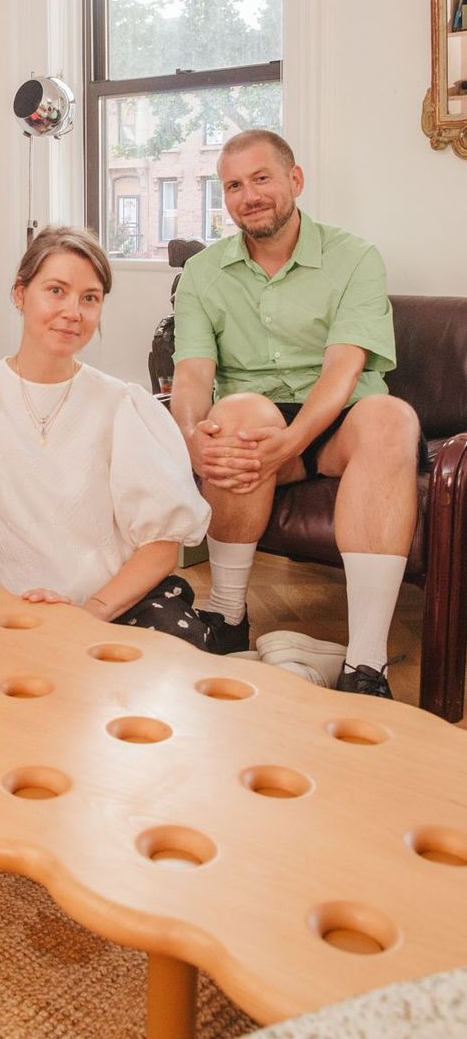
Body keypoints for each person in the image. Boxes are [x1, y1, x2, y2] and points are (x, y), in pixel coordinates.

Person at [171, 129, 423, 698]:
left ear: (294, 180)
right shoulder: (203, 273)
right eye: (234, 185)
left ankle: (366, 664)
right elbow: (191, 375)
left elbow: (342, 372)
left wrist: (291, 444)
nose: (248, 195)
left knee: (392, 418)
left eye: (261, 178)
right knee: (236, 413)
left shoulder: (354, 256)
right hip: (255, 425)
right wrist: (193, 438)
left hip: (340, 419)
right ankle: (228, 618)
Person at [0, 226, 215, 646]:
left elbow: (160, 545)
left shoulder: (123, 405)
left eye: (90, 298)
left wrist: (87, 616)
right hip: (10, 610)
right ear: (19, 294)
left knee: (169, 663)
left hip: (112, 606)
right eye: (56, 291)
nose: (73, 312)